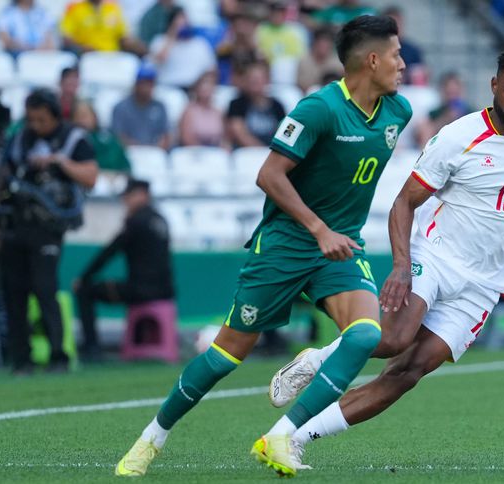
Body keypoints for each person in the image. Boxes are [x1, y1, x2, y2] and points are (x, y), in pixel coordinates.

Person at [114, 14, 411, 477]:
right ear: (371, 60)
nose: (403, 64)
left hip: (340, 248)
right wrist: (318, 229)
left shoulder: (398, 112)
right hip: (286, 244)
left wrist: (332, 234)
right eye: (396, 54)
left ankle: (280, 436)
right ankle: (152, 438)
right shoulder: (318, 110)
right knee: (225, 356)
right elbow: (268, 175)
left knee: (366, 335)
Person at [267, 46, 504, 464]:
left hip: (484, 283)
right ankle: (317, 359)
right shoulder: (459, 137)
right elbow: (404, 203)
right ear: (495, 85)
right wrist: (403, 266)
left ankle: (294, 438)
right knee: (393, 339)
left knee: (409, 372)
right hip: (435, 256)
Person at [0, 89, 98, 375]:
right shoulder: (20, 138)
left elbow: (91, 176)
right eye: (31, 119)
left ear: (55, 116)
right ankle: (21, 359)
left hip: (49, 227)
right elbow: (5, 172)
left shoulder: (73, 139)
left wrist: (59, 161)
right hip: (17, 223)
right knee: (14, 292)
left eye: (42, 119)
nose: (36, 125)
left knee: (45, 289)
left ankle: (58, 356)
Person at [73, 178, 173, 359]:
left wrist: (83, 277)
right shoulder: (160, 220)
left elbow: (109, 252)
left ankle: (92, 349)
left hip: (140, 290)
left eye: (129, 196)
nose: (125, 200)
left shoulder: (136, 222)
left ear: (142, 195)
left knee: (84, 290)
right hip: (166, 290)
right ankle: (142, 342)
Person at [149, 6, 216, 90]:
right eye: (179, 23)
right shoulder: (160, 41)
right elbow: (159, 60)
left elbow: (211, 71)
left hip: (194, 90)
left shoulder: (200, 44)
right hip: (167, 88)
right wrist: (172, 35)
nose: (183, 26)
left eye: (185, 22)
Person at [111, 64, 170, 150]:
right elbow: (118, 137)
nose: (146, 87)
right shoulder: (121, 107)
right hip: (129, 151)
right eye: (143, 83)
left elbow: (166, 136)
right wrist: (139, 148)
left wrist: (155, 149)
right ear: (136, 84)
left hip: (154, 152)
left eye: (150, 83)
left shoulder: (160, 107)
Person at [227, 61, 286, 147]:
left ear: (267, 80)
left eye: (258, 78)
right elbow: (239, 134)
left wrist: (274, 151)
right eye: (251, 78)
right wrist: (262, 150)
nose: (255, 81)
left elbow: (284, 134)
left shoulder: (277, 106)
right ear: (245, 81)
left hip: (272, 150)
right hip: (247, 151)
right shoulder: (236, 105)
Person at [60, 0, 145, 55]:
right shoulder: (75, 9)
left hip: (112, 56)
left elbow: (122, 35)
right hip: (86, 56)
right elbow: (66, 37)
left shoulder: (112, 8)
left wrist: (134, 44)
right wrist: (81, 48)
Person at [415, 71, 474, 146]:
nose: (452, 98)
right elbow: (419, 135)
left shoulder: (471, 113)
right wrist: (445, 120)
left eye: (455, 93)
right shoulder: (435, 113)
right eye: (449, 93)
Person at [73, 101, 131, 173]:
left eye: (84, 116)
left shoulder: (108, 140)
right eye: (77, 117)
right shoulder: (72, 142)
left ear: (94, 117)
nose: (81, 121)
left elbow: (123, 164)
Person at [179, 71, 227, 147]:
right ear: (197, 90)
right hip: (194, 150)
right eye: (203, 87)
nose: (206, 90)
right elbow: (186, 138)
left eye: (209, 87)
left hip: (215, 150)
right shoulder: (189, 111)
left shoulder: (218, 112)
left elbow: (224, 138)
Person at [383, 6, 426, 85]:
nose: (396, 28)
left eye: (398, 24)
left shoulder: (413, 50)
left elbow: (421, 74)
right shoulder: (378, 49)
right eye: (392, 25)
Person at [297, 25, 343, 93]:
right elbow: (302, 85)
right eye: (321, 44)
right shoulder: (305, 61)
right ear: (315, 43)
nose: (324, 47)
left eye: (327, 44)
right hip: (310, 94)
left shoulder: (337, 62)